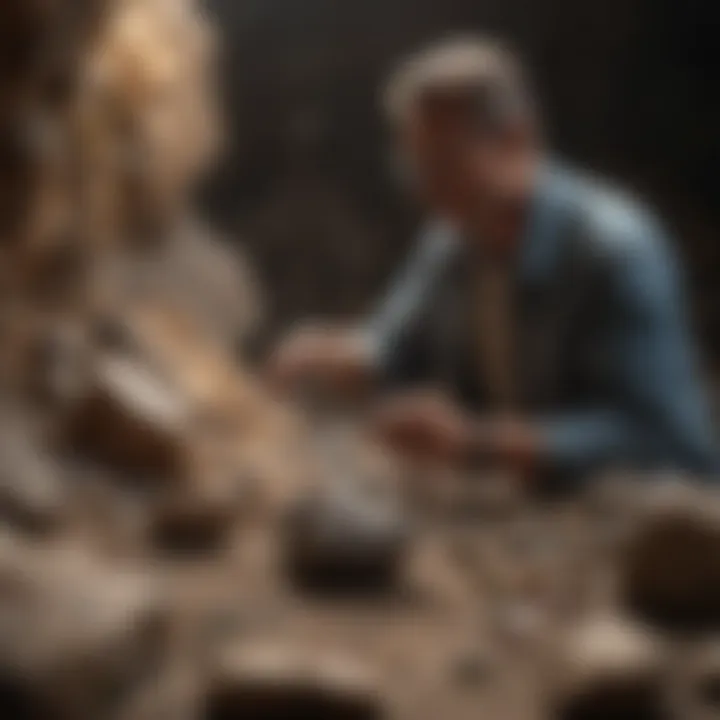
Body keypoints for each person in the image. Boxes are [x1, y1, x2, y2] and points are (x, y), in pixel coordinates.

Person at [269, 37, 718, 486]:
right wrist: (335, 355)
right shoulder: (453, 240)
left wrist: (479, 442)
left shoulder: (613, 249)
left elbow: (667, 440)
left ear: (516, 139)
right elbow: (393, 346)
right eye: (416, 169)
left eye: (444, 165)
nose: (427, 191)